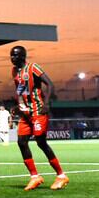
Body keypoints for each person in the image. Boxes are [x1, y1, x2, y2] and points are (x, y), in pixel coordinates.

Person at [11, 46, 66, 190]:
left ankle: (61, 175)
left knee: (41, 142)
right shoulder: (15, 72)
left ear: (23, 56)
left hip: (38, 111)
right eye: (11, 55)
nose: (12, 58)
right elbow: (21, 90)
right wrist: (19, 106)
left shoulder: (33, 67)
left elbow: (50, 84)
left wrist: (46, 103)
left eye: (15, 55)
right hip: (25, 113)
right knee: (21, 142)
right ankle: (34, 176)